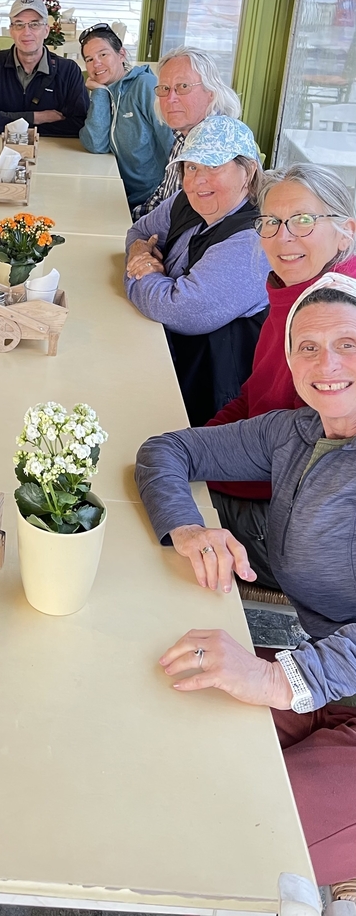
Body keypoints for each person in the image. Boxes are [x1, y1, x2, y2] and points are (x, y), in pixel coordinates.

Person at [134, 272, 356, 891]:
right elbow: (166, 451)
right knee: (164, 741)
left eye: (348, 343)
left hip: (315, 675)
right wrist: (186, 528)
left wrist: (271, 677)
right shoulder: (293, 432)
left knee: (244, 840)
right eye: (306, 346)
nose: (327, 362)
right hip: (321, 673)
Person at [204, 164, 356, 554]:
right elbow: (254, 395)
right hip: (263, 469)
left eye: (303, 220)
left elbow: (299, 466)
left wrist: (203, 467)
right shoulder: (293, 292)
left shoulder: (336, 314)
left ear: (346, 233)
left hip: (306, 528)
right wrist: (202, 443)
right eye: (271, 221)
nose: (282, 237)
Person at [124, 114, 269, 426]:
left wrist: (140, 272)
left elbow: (182, 310)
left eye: (214, 166)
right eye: (191, 167)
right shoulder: (186, 201)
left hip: (202, 396)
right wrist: (140, 251)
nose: (198, 180)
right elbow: (137, 233)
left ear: (249, 171)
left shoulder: (252, 240)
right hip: (161, 354)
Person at [133, 46, 242, 218]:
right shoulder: (184, 134)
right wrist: (134, 224)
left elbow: (193, 225)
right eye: (164, 88)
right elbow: (163, 198)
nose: (170, 99)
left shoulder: (218, 144)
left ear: (211, 93)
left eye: (183, 86)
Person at [78, 23, 173, 213]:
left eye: (103, 54)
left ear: (121, 54)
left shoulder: (146, 86)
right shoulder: (106, 92)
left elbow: (172, 143)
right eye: (89, 59)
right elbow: (96, 144)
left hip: (153, 200)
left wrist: (169, 204)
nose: (96, 63)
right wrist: (99, 93)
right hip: (119, 194)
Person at [0, 0, 89, 138]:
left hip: (53, 154)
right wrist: (38, 117)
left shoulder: (69, 71)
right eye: (19, 24)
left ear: (46, 30)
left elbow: (78, 125)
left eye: (34, 24)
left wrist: (9, 122)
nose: (26, 32)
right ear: (11, 31)